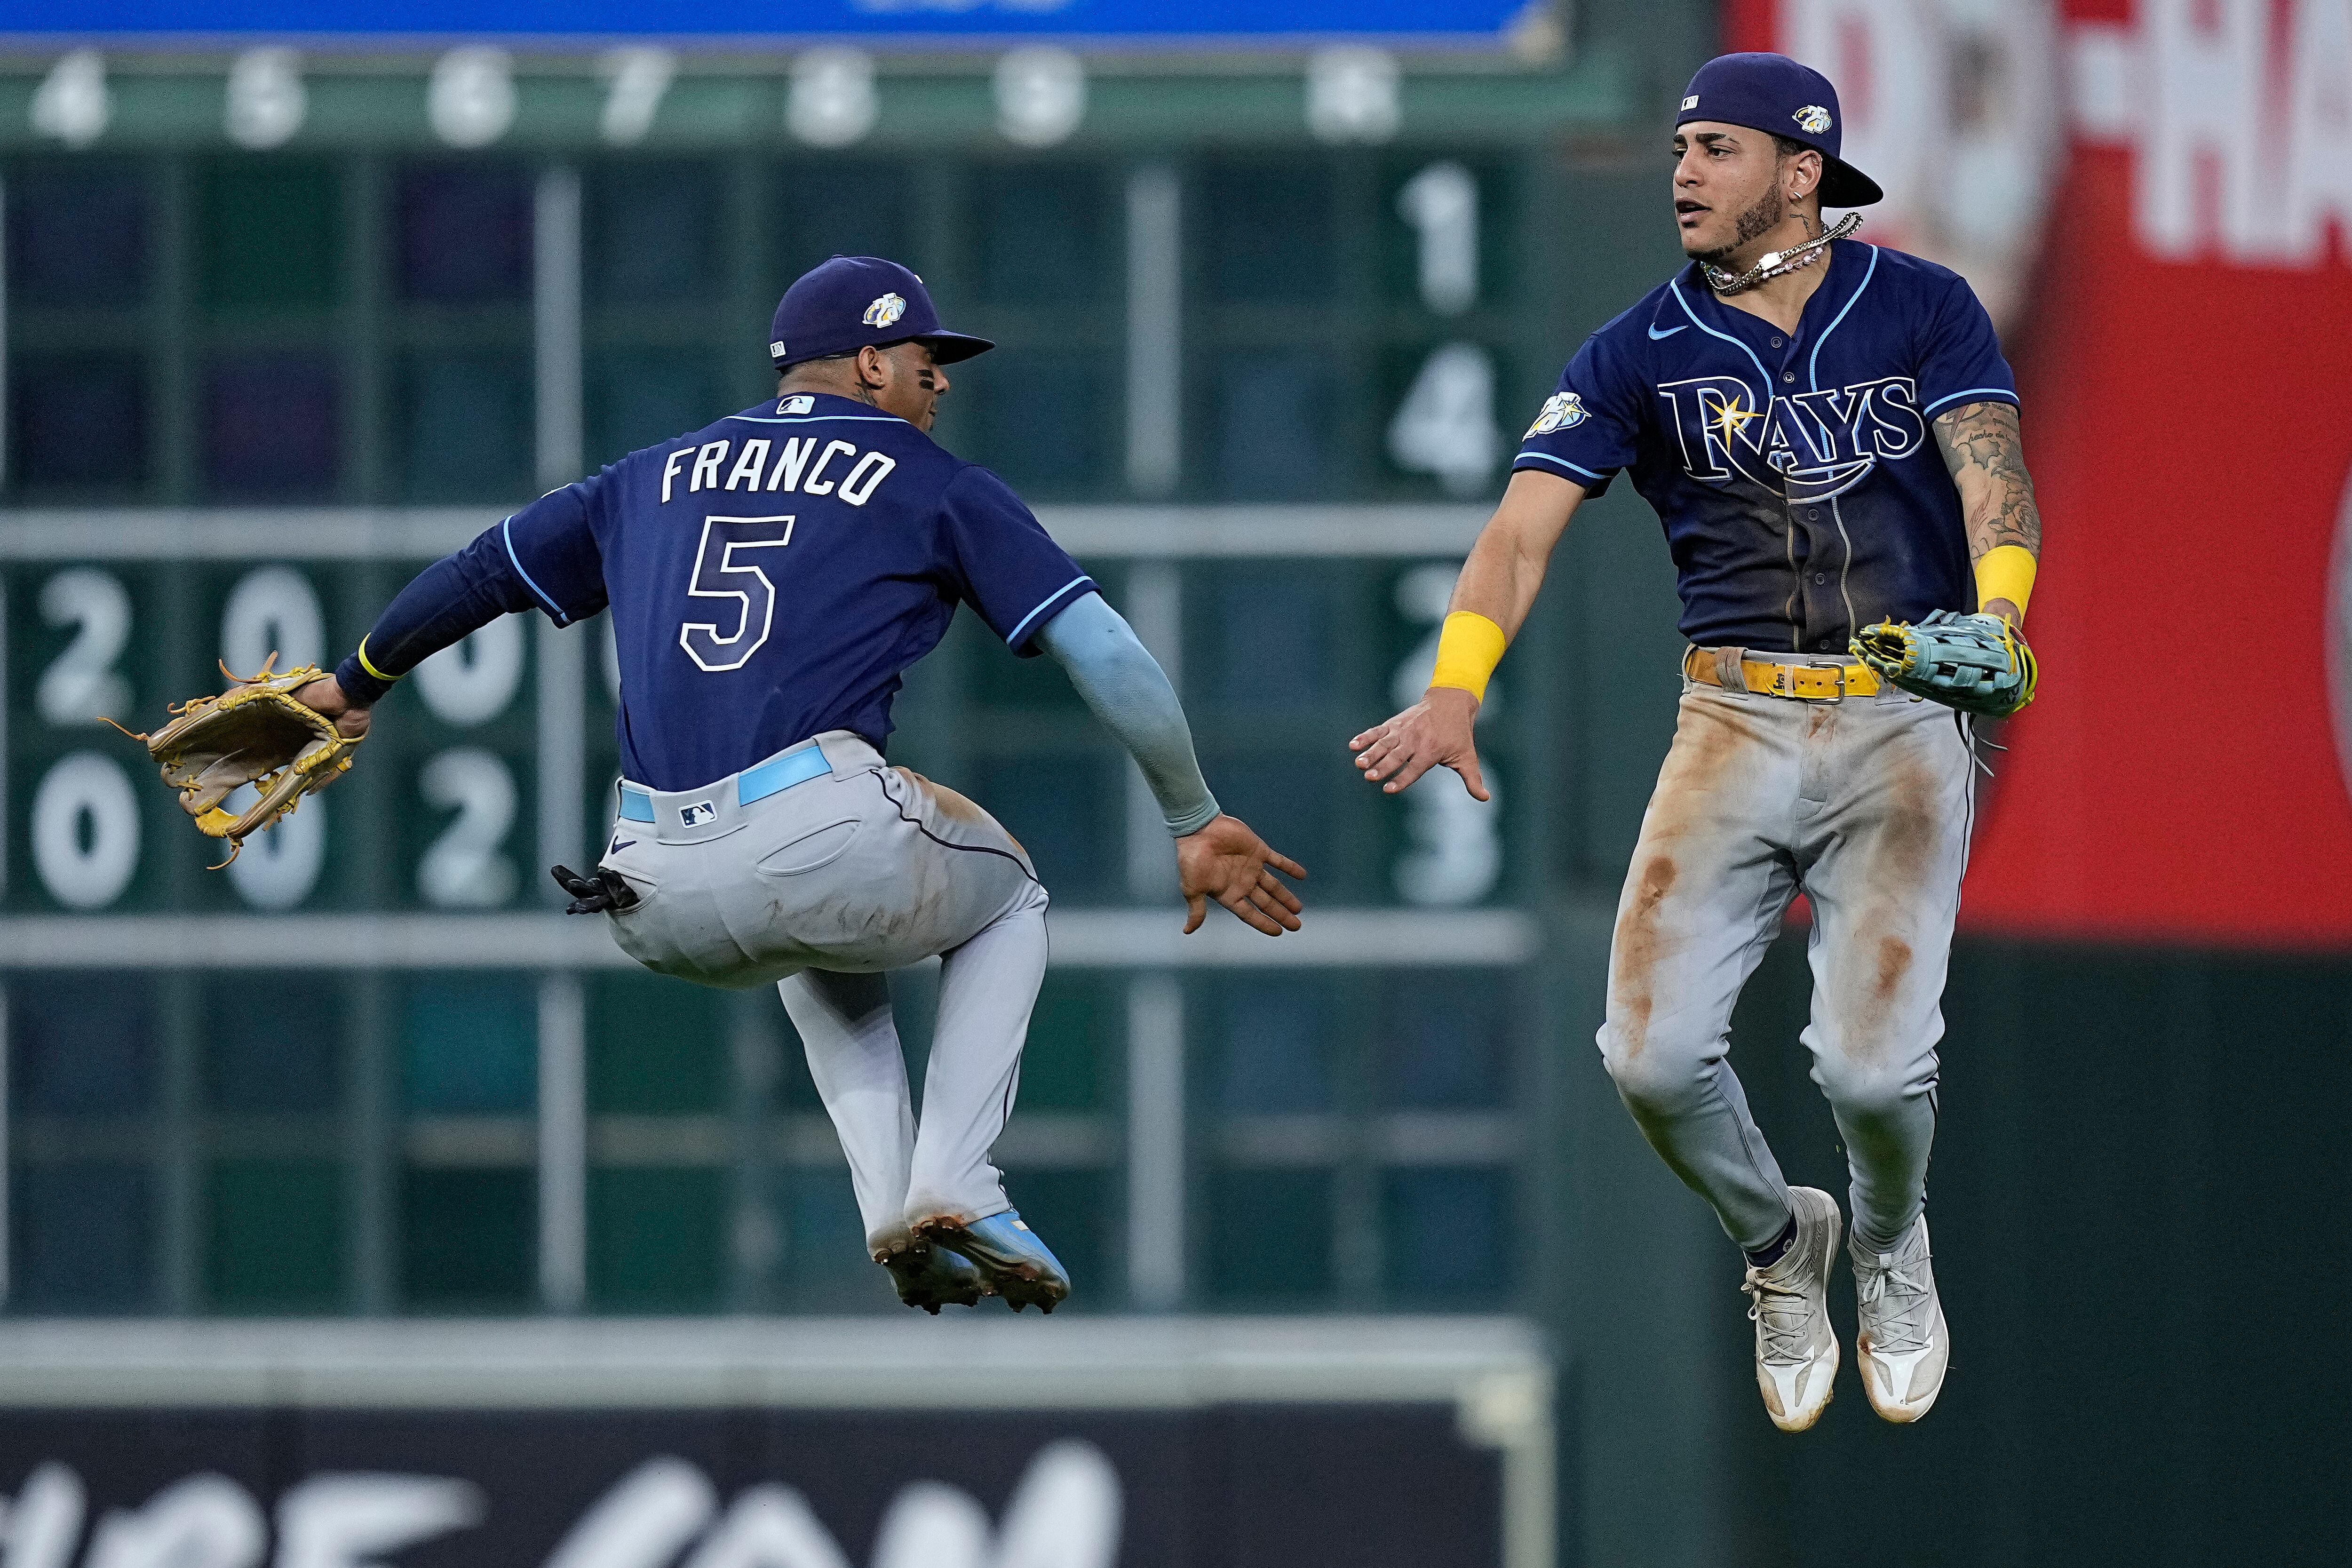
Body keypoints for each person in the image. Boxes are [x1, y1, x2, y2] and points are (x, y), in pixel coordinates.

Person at [297, 255, 1307, 1314]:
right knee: (1008, 895)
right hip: (813, 830)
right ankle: (959, 1180)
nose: (940, 378)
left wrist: (355, 682)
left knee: (820, 925)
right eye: (923, 356)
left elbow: (480, 571)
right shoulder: (931, 480)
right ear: (869, 362)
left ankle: (893, 1206)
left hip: (646, 888)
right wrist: (1192, 814)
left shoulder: (645, 475)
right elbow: (1102, 649)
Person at [1348, 55, 2042, 1428]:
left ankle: (1888, 1240)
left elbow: (1992, 476)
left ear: (1802, 169)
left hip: (1903, 710)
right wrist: (1455, 684)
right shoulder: (1637, 349)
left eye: (1718, 147)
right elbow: (1518, 533)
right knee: (1648, 1057)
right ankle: (1783, 1243)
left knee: (1871, 1070)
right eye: (1680, 148)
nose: (1684, 172)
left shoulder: (1922, 303)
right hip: (1732, 714)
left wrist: (2002, 615)